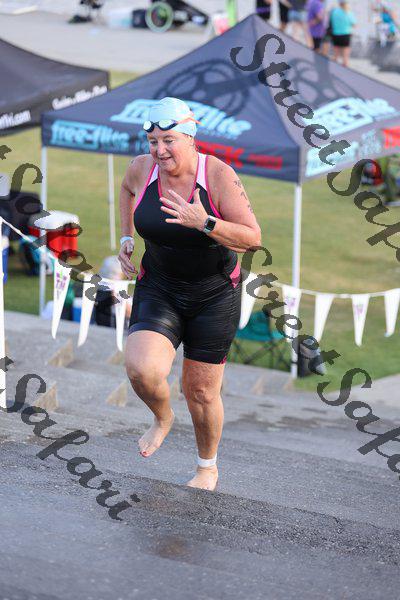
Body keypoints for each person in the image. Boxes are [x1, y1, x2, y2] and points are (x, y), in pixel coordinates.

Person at [118, 97, 261, 491]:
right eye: (153, 141)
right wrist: (126, 236)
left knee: (199, 391)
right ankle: (163, 418)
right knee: (142, 370)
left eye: (169, 140)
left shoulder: (217, 175)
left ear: (190, 138)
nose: (160, 150)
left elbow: (252, 238)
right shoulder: (141, 168)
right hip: (160, 286)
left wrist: (206, 222)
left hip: (214, 294)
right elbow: (127, 191)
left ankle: (206, 467)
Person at [330, 0, 356, 67]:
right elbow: (354, 24)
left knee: (336, 54)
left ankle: (334, 66)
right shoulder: (348, 12)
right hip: (345, 34)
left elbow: (331, 22)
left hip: (336, 34)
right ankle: (345, 65)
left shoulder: (334, 12)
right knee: (345, 56)